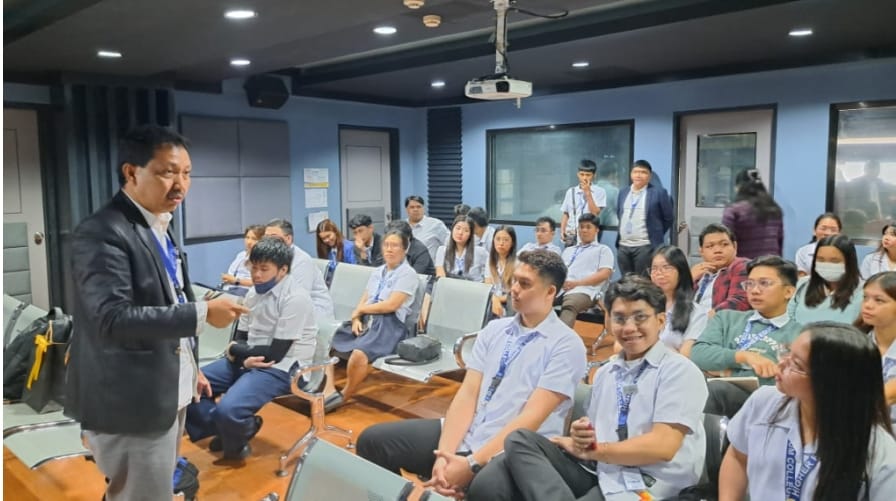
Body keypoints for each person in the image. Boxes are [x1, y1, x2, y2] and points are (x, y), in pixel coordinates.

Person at [64, 125, 247, 501]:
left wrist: (191, 369)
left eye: (186, 173)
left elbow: (167, 298)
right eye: (167, 172)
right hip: (131, 401)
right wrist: (202, 314)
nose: (180, 184)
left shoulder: (157, 224)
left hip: (166, 388)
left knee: (153, 489)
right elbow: (112, 319)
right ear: (131, 173)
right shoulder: (102, 232)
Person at [356, 249, 586, 499]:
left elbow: (532, 418)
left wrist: (472, 464)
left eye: (525, 283)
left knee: (485, 486)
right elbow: (468, 394)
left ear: (550, 292)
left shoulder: (565, 344)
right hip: (472, 432)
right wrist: (443, 456)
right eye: (514, 280)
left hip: (512, 451)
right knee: (373, 441)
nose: (514, 289)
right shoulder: (495, 330)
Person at [482, 276, 707, 501]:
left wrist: (593, 450)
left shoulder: (679, 371)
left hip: (650, 487)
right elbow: (597, 436)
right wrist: (581, 436)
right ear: (608, 322)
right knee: (517, 442)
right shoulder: (606, 374)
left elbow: (662, 447)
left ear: (660, 321)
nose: (629, 328)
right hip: (604, 472)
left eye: (640, 318)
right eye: (619, 318)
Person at [719, 322, 896, 501]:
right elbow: (737, 456)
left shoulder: (881, 455)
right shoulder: (764, 402)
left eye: (796, 364)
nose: (780, 364)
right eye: (787, 352)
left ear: (830, 383)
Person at [186, 237, 316, 459]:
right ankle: (232, 430)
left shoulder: (296, 298)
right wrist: (240, 355)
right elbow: (240, 338)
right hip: (250, 360)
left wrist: (237, 351)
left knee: (228, 410)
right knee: (190, 385)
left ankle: (232, 432)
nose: (256, 275)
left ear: (283, 270)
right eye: (254, 268)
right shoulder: (253, 294)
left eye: (264, 269)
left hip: (281, 368)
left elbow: (276, 353)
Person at [690, 255, 803, 418]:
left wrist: (726, 373)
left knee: (717, 390)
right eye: (749, 284)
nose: (754, 290)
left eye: (764, 283)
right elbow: (698, 354)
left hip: (768, 406)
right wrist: (743, 357)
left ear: (789, 291)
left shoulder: (800, 335)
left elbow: (786, 380)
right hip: (715, 399)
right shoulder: (726, 318)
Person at [326, 229, 420, 410]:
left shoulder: (407, 274)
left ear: (404, 249)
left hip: (390, 326)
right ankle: (327, 388)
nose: (389, 250)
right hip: (368, 318)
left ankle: (345, 394)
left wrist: (360, 310)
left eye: (395, 246)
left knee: (359, 354)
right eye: (386, 245)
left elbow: (391, 305)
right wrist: (356, 317)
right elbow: (365, 297)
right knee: (328, 339)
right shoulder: (377, 271)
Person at [265, 219, 335, 320]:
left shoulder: (302, 261)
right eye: (265, 238)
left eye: (273, 237)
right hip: (286, 307)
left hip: (313, 312)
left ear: (288, 239)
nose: (268, 242)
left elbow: (298, 298)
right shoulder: (271, 258)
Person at [615, 159, 674, 277]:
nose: (639, 175)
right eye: (636, 172)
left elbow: (668, 218)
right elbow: (619, 214)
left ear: (649, 176)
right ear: (631, 174)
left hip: (645, 246)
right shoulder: (623, 192)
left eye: (643, 172)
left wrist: (655, 233)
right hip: (623, 246)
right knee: (626, 283)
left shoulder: (659, 192)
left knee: (643, 283)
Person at [647, 245, 709, 356]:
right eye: (654, 269)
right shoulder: (645, 307)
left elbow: (686, 354)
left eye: (666, 268)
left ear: (681, 272)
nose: (659, 274)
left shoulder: (696, 312)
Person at [788, 234, 863, 324]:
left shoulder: (864, 292)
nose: (826, 265)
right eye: (820, 259)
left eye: (835, 261)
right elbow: (789, 320)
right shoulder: (803, 284)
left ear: (849, 262)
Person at [555, 214, 615, 328]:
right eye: (581, 227)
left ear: (596, 230)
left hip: (585, 290)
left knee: (570, 304)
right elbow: (558, 271)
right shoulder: (569, 250)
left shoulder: (603, 250)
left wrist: (576, 284)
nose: (584, 230)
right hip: (562, 288)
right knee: (539, 297)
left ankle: (561, 342)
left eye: (588, 227)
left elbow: (604, 274)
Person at [855, 271, 896, 424]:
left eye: (879, 300)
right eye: (865, 297)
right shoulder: (854, 341)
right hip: (858, 427)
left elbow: (888, 396)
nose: (868, 305)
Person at [722, 169, 783, 259]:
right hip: (772, 266)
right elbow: (779, 244)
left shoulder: (733, 211)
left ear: (738, 187)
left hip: (745, 267)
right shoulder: (774, 210)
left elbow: (726, 242)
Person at [690, 223, 750, 314]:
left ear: (735, 246)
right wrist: (687, 280)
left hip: (716, 324)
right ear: (701, 251)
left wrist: (714, 315)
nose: (717, 250)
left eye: (724, 244)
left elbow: (741, 300)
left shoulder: (741, 266)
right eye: (710, 246)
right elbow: (676, 303)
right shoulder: (698, 273)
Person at [560, 159, 607, 247]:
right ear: (578, 175)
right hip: (572, 235)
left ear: (594, 176)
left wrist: (588, 193)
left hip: (589, 236)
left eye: (588, 175)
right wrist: (562, 230)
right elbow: (566, 213)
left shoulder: (600, 191)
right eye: (582, 174)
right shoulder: (571, 192)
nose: (584, 178)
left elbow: (595, 213)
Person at [435, 216, 489, 282]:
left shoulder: (480, 252)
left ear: (470, 235)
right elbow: (440, 276)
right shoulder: (442, 250)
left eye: (466, 230)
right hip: (451, 288)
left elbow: (493, 267)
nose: (460, 233)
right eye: (458, 228)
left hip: (474, 289)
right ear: (452, 230)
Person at [221, 224, 265, 294]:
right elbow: (230, 274)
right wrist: (227, 278)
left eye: (254, 239)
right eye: (247, 237)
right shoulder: (241, 255)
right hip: (230, 288)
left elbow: (260, 282)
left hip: (247, 292)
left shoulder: (264, 258)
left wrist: (237, 281)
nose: (249, 242)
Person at [794, 213, 842, 277]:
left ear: (839, 233)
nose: (828, 233)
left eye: (833, 230)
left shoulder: (844, 251)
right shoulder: (803, 252)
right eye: (823, 229)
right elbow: (801, 278)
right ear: (814, 231)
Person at [485, 226, 517, 319]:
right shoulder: (490, 260)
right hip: (492, 299)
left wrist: (497, 299)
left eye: (506, 240)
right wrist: (494, 299)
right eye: (498, 239)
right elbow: (488, 285)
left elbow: (513, 292)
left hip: (509, 301)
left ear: (512, 243)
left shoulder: (517, 262)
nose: (501, 243)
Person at [406, 195, 450, 261]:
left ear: (424, 208)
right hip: (407, 268)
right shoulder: (402, 226)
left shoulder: (436, 224)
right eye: (412, 207)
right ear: (407, 209)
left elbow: (449, 244)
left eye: (419, 207)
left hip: (430, 269)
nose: (415, 209)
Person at [315, 218, 356, 285]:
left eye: (328, 236)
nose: (326, 240)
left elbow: (355, 272)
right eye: (323, 238)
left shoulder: (349, 247)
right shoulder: (327, 250)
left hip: (347, 283)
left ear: (335, 232)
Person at [596, 159, 620, 228]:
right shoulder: (614, 191)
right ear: (612, 174)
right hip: (609, 229)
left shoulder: (592, 189)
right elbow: (620, 212)